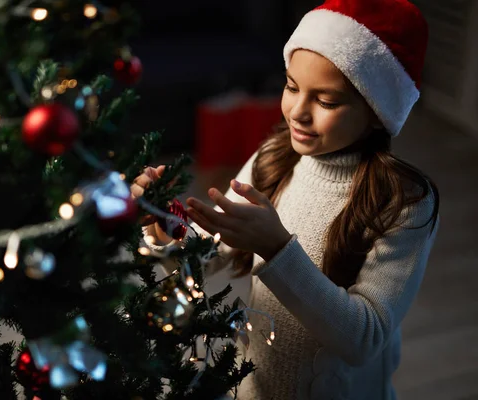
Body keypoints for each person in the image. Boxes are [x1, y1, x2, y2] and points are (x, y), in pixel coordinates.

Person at [131, 0, 440, 398]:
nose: (297, 111)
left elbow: (363, 339)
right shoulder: (273, 158)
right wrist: (166, 226)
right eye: (291, 86)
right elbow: (210, 254)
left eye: (326, 101)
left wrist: (277, 248)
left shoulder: (404, 201)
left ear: (378, 111)